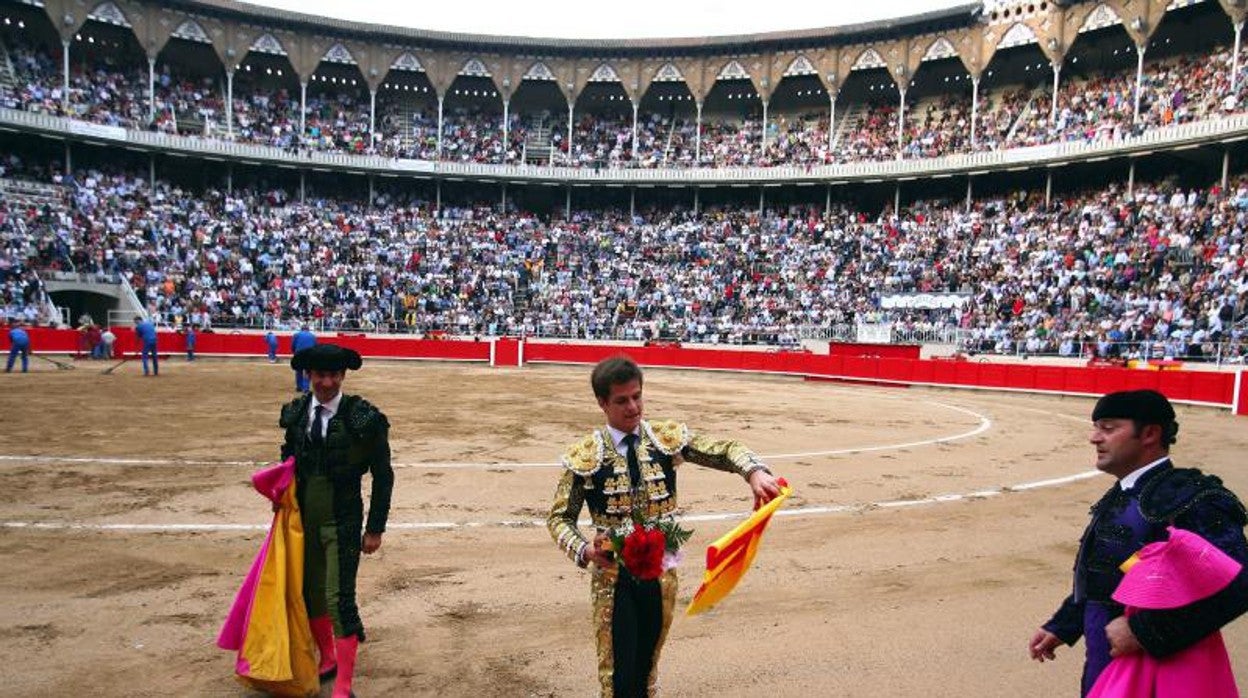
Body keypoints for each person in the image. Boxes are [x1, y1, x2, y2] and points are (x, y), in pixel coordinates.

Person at [547, 355, 782, 697]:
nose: (633, 407)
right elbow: (558, 517)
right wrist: (583, 549)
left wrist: (754, 471)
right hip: (613, 576)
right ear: (602, 403)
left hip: (661, 570)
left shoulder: (664, 438)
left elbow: (723, 449)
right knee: (616, 674)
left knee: (647, 665)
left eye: (637, 396)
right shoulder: (585, 455)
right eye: (622, 400)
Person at [1028, 389, 1248, 696]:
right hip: (1108, 657)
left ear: (1149, 433)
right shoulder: (1125, 492)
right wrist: (1064, 624)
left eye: (1108, 428)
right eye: (1096, 428)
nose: (1094, 438)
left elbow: (1238, 581)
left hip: (1157, 666)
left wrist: (1144, 631)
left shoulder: (1187, 496)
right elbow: (1106, 574)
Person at [279, 343, 393, 698]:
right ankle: (327, 657)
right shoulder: (297, 413)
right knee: (309, 594)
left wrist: (374, 528)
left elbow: (383, 475)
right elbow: (288, 461)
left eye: (333, 375)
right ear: (308, 375)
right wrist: (277, 494)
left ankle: (343, 686)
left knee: (339, 598)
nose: (326, 382)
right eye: (319, 375)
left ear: (343, 376)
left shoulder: (363, 418)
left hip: (342, 520)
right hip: (303, 521)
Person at [291, 324, 317, 392]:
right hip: (309, 355)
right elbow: (315, 347)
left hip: (299, 354)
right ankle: (306, 388)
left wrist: (294, 352)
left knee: (298, 371)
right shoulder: (312, 336)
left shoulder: (296, 335)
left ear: (301, 329)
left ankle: (299, 387)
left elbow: (293, 345)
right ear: (308, 329)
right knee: (307, 372)